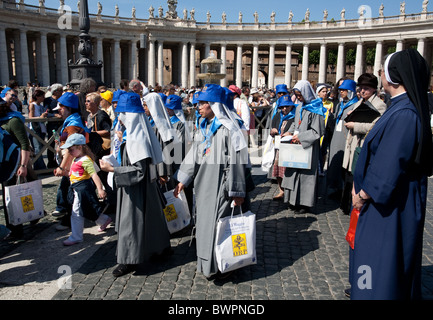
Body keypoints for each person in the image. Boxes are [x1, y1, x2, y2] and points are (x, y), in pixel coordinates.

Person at [349, 48, 433, 300]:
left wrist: (362, 194)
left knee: (378, 260)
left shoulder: (404, 113)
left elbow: (388, 165)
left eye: (381, 71)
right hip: (386, 201)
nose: (378, 76)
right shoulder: (401, 108)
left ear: (393, 76)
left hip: (386, 205)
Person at [173, 84, 249, 279]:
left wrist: (237, 192)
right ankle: (207, 263)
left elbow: (237, 161)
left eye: (203, 103)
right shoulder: (204, 126)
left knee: (219, 227)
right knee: (206, 226)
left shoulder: (229, 129)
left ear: (214, 105)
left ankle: (222, 266)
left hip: (221, 186)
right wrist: (183, 179)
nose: (198, 107)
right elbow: (194, 154)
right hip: (203, 184)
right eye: (198, 103)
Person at [99, 91, 171, 277]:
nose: (119, 118)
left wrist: (112, 170)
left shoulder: (137, 137)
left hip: (136, 190)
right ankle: (159, 249)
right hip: (140, 188)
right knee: (150, 220)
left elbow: (139, 171)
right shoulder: (133, 133)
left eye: (121, 114)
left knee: (130, 223)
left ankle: (129, 260)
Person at [340, 74, 387, 214]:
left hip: (362, 144)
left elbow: (376, 127)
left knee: (358, 174)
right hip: (352, 142)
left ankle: (357, 204)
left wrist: (356, 125)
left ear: (373, 89)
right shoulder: (359, 102)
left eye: (366, 88)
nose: (362, 91)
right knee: (349, 175)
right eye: (361, 88)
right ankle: (347, 204)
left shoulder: (380, 105)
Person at [282, 80, 326, 213]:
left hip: (309, 147)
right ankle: (292, 200)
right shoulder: (299, 107)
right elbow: (297, 124)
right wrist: (290, 132)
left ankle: (304, 203)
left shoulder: (316, 108)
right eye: (296, 95)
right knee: (294, 173)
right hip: (296, 145)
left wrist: (301, 137)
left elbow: (317, 131)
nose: (298, 97)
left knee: (306, 176)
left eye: (300, 94)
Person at [60, 133, 112, 246]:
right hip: (77, 188)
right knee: (88, 208)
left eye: (71, 149)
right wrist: (65, 173)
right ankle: (104, 220)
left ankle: (76, 236)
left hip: (83, 188)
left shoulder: (85, 160)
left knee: (76, 212)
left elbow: (94, 175)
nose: (69, 152)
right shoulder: (76, 159)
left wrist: (100, 189)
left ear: (79, 147)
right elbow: (73, 173)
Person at [52, 92, 90, 229]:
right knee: (71, 191)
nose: (59, 110)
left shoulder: (72, 125)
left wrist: (63, 167)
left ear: (69, 108)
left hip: (73, 163)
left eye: (61, 107)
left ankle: (70, 220)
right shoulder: (72, 121)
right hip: (73, 162)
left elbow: (71, 148)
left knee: (71, 192)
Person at [0, 97, 32, 238]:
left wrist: (23, 165)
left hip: (15, 164)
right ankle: (11, 227)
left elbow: (24, 144)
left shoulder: (13, 121)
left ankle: (16, 228)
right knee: (7, 197)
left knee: (13, 196)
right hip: (3, 164)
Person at [326, 79, 358, 199]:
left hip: (346, 139)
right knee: (335, 163)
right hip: (336, 137)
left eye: (343, 90)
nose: (341, 92)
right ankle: (335, 187)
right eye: (340, 90)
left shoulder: (355, 105)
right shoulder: (340, 104)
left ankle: (344, 190)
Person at [270, 94, 297, 200]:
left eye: (287, 106)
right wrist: (272, 131)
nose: (284, 109)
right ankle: (281, 190)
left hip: (290, 146)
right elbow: (271, 129)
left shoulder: (295, 116)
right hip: (278, 146)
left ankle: (290, 192)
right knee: (278, 169)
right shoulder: (277, 115)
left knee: (287, 170)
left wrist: (290, 133)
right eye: (282, 107)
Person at [44, 83, 64, 169]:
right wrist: (54, 115)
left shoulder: (62, 100)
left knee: (61, 143)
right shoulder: (48, 100)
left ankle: (61, 160)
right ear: (55, 92)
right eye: (60, 91)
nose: (62, 92)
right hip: (53, 126)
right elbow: (46, 112)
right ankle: (51, 161)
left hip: (61, 125)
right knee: (51, 143)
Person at [28, 89, 48, 170]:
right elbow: (30, 117)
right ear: (37, 97)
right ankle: (41, 167)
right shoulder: (32, 105)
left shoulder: (41, 106)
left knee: (41, 147)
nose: (44, 98)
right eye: (42, 96)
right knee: (37, 148)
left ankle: (37, 166)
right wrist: (40, 117)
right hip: (34, 128)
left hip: (42, 128)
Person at [316, 84, 334, 176]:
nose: (325, 93)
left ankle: (322, 169)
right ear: (318, 93)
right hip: (316, 129)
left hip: (326, 130)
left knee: (323, 151)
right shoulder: (315, 103)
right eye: (323, 91)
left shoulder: (330, 103)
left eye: (326, 91)